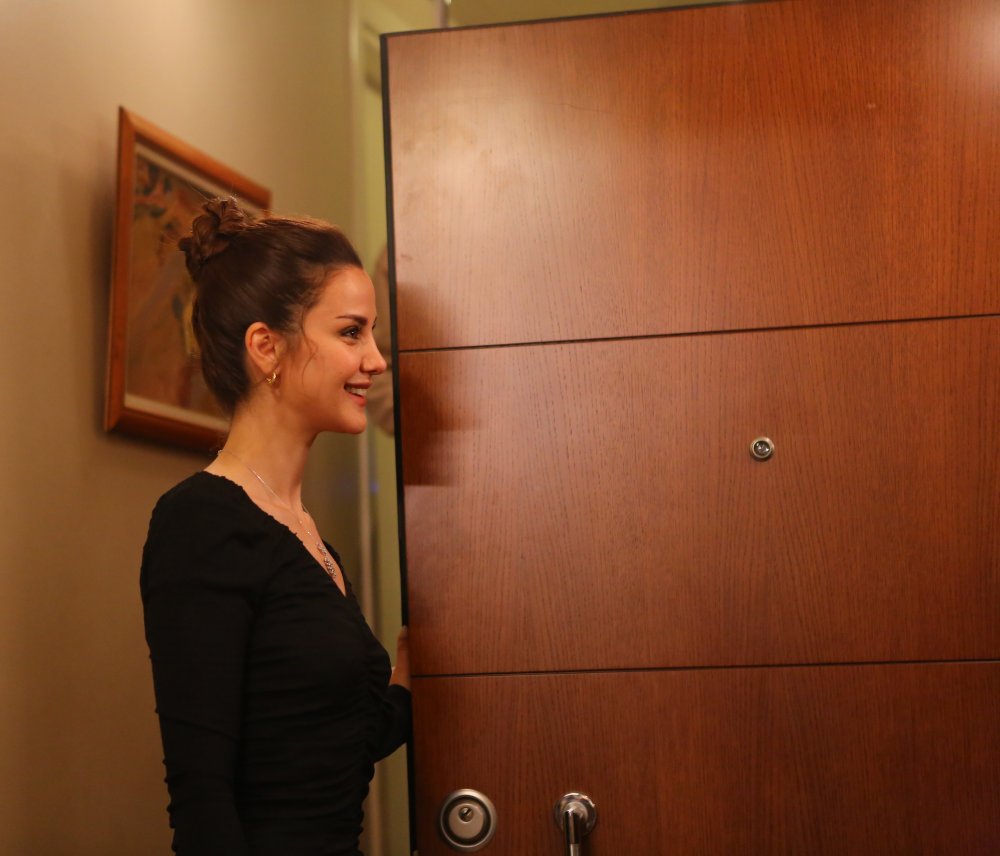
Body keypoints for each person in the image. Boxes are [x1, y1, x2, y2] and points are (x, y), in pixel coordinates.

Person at [139, 197, 410, 855]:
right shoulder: (201, 524)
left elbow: (330, 746)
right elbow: (203, 800)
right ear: (266, 347)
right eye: (352, 333)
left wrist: (414, 670)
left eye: (372, 334)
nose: (377, 360)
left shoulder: (305, 534)